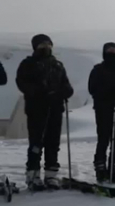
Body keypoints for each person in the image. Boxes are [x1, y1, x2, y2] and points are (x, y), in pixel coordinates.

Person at [16, 34, 74, 190]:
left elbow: (67, 86)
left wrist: (61, 93)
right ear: (35, 47)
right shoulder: (28, 64)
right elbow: (21, 82)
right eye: (42, 45)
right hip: (37, 109)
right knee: (36, 142)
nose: (45, 48)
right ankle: (33, 174)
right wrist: (38, 91)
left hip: (55, 109)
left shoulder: (57, 65)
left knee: (53, 143)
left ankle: (51, 175)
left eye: (48, 45)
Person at [87, 42, 115, 183]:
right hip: (104, 108)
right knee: (104, 138)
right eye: (110, 51)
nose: (113, 54)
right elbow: (93, 88)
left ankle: (114, 168)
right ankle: (101, 168)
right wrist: (108, 92)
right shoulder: (98, 70)